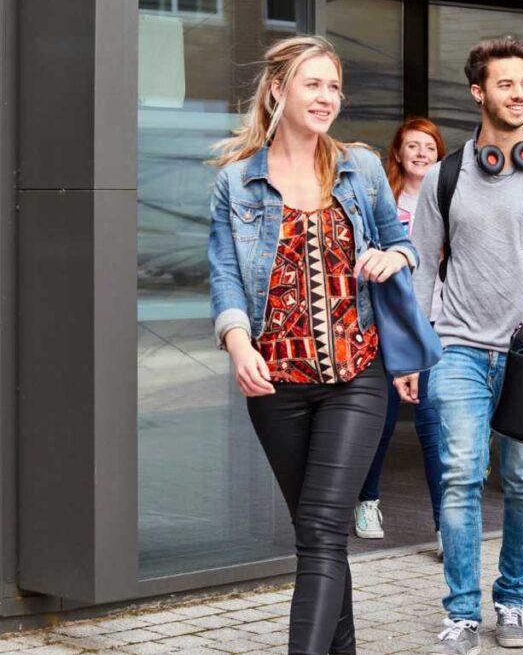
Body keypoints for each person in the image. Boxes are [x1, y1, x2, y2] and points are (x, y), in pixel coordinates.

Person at [208, 35, 418, 655]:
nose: (327, 97)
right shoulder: (237, 182)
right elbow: (224, 275)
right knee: (316, 535)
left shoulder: (360, 166)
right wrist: (238, 344)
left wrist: (391, 255)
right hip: (275, 383)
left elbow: (403, 244)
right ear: (279, 90)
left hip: (357, 373)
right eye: (313, 84)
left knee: (324, 529)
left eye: (333, 86)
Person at [396, 36, 523, 655]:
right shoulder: (447, 175)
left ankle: (510, 600)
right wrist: (414, 349)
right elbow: (422, 272)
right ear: (478, 92)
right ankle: (461, 613)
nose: (517, 95)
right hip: (457, 347)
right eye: (505, 84)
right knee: (462, 472)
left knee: (522, 478)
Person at [353, 118, 446, 558]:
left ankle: (445, 523)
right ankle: (367, 501)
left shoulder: (449, 197)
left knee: (433, 428)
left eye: (429, 146)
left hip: (433, 325)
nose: (421, 153)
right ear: (399, 153)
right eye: (413, 146)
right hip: (386, 329)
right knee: (381, 423)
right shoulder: (383, 200)